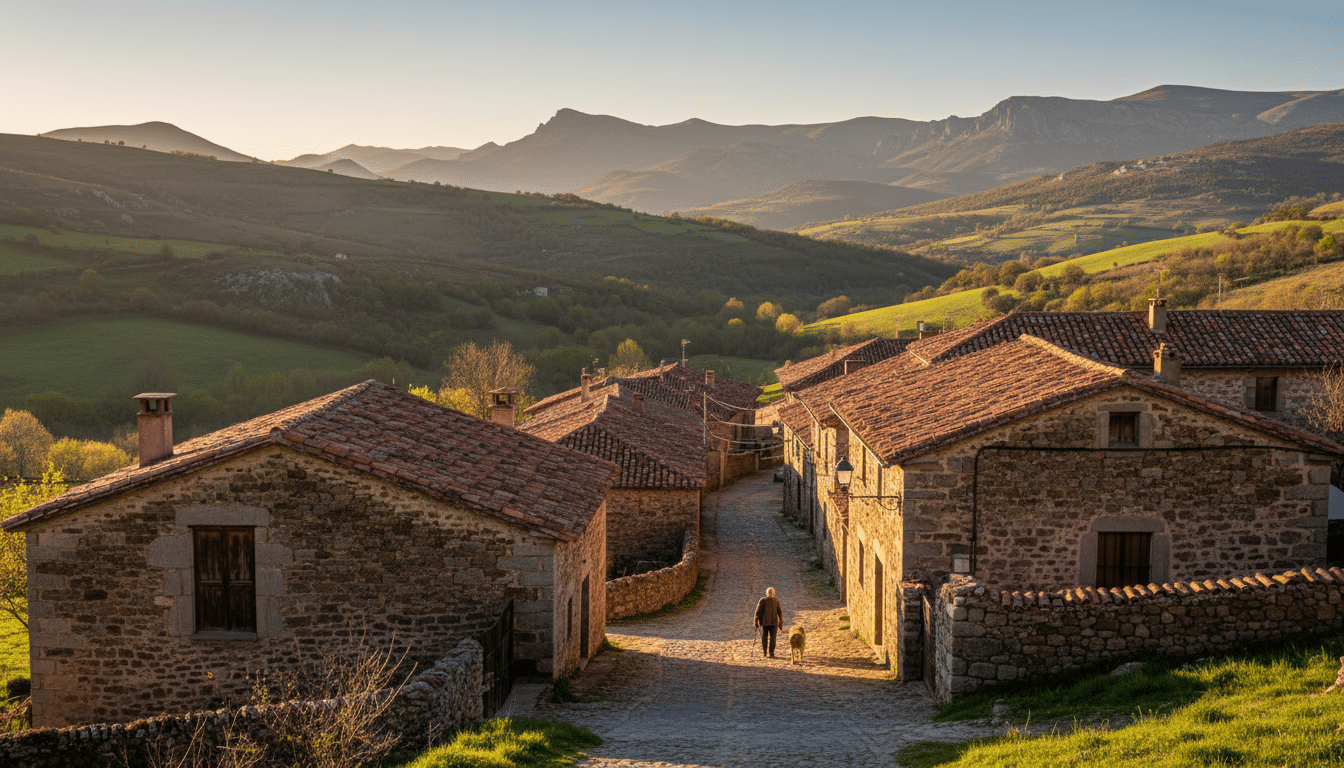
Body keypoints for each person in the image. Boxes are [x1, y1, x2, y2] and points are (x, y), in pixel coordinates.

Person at [754, 587, 784, 658]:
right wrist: (756, 622)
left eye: (772, 593)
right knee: (764, 638)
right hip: (764, 623)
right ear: (767, 593)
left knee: (773, 638)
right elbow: (757, 612)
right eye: (769, 593)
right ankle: (765, 652)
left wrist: (780, 623)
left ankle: (771, 652)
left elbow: (780, 612)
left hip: (774, 623)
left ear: (774, 593)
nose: (771, 594)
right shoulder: (763, 601)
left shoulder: (776, 601)